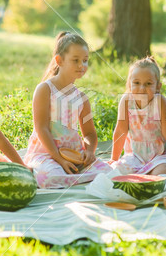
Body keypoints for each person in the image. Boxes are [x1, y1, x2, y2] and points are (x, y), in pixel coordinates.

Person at [24, 31, 111, 188]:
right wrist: (59, 159)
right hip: (47, 154)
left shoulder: (82, 98)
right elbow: (41, 128)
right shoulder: (45, 89)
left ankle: (70, 179)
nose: (81, 65)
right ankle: (59, 176)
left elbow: (90, 134)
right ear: (59, 60)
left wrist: (90, 152)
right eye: (75, 60)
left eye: (85, 61)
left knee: (110, 172)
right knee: (51, 177)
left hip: (74, 155)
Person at [109, 57, 166, 175]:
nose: (142, 88)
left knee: (160, 174)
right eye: (136, 83)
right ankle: (144, 172)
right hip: (135, 155)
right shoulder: (126, 101)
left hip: (158, 155)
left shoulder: (160, 103)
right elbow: (120, 131)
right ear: (129, 84)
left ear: (158, 86)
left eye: (148, 84)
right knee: (117, 170)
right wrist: (114, 159)